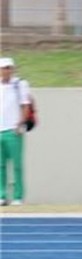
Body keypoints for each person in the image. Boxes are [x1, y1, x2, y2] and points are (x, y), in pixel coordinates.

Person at [0, 57, 31, 206]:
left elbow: (25, 105)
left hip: (13, 131)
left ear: (13, 69)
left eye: (8, 68)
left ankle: (18, 196)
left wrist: (20, 124)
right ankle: (2, 196)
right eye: (3, 68)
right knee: (0, 166)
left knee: (17, 165)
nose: (6, 71)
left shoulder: (20, 84)